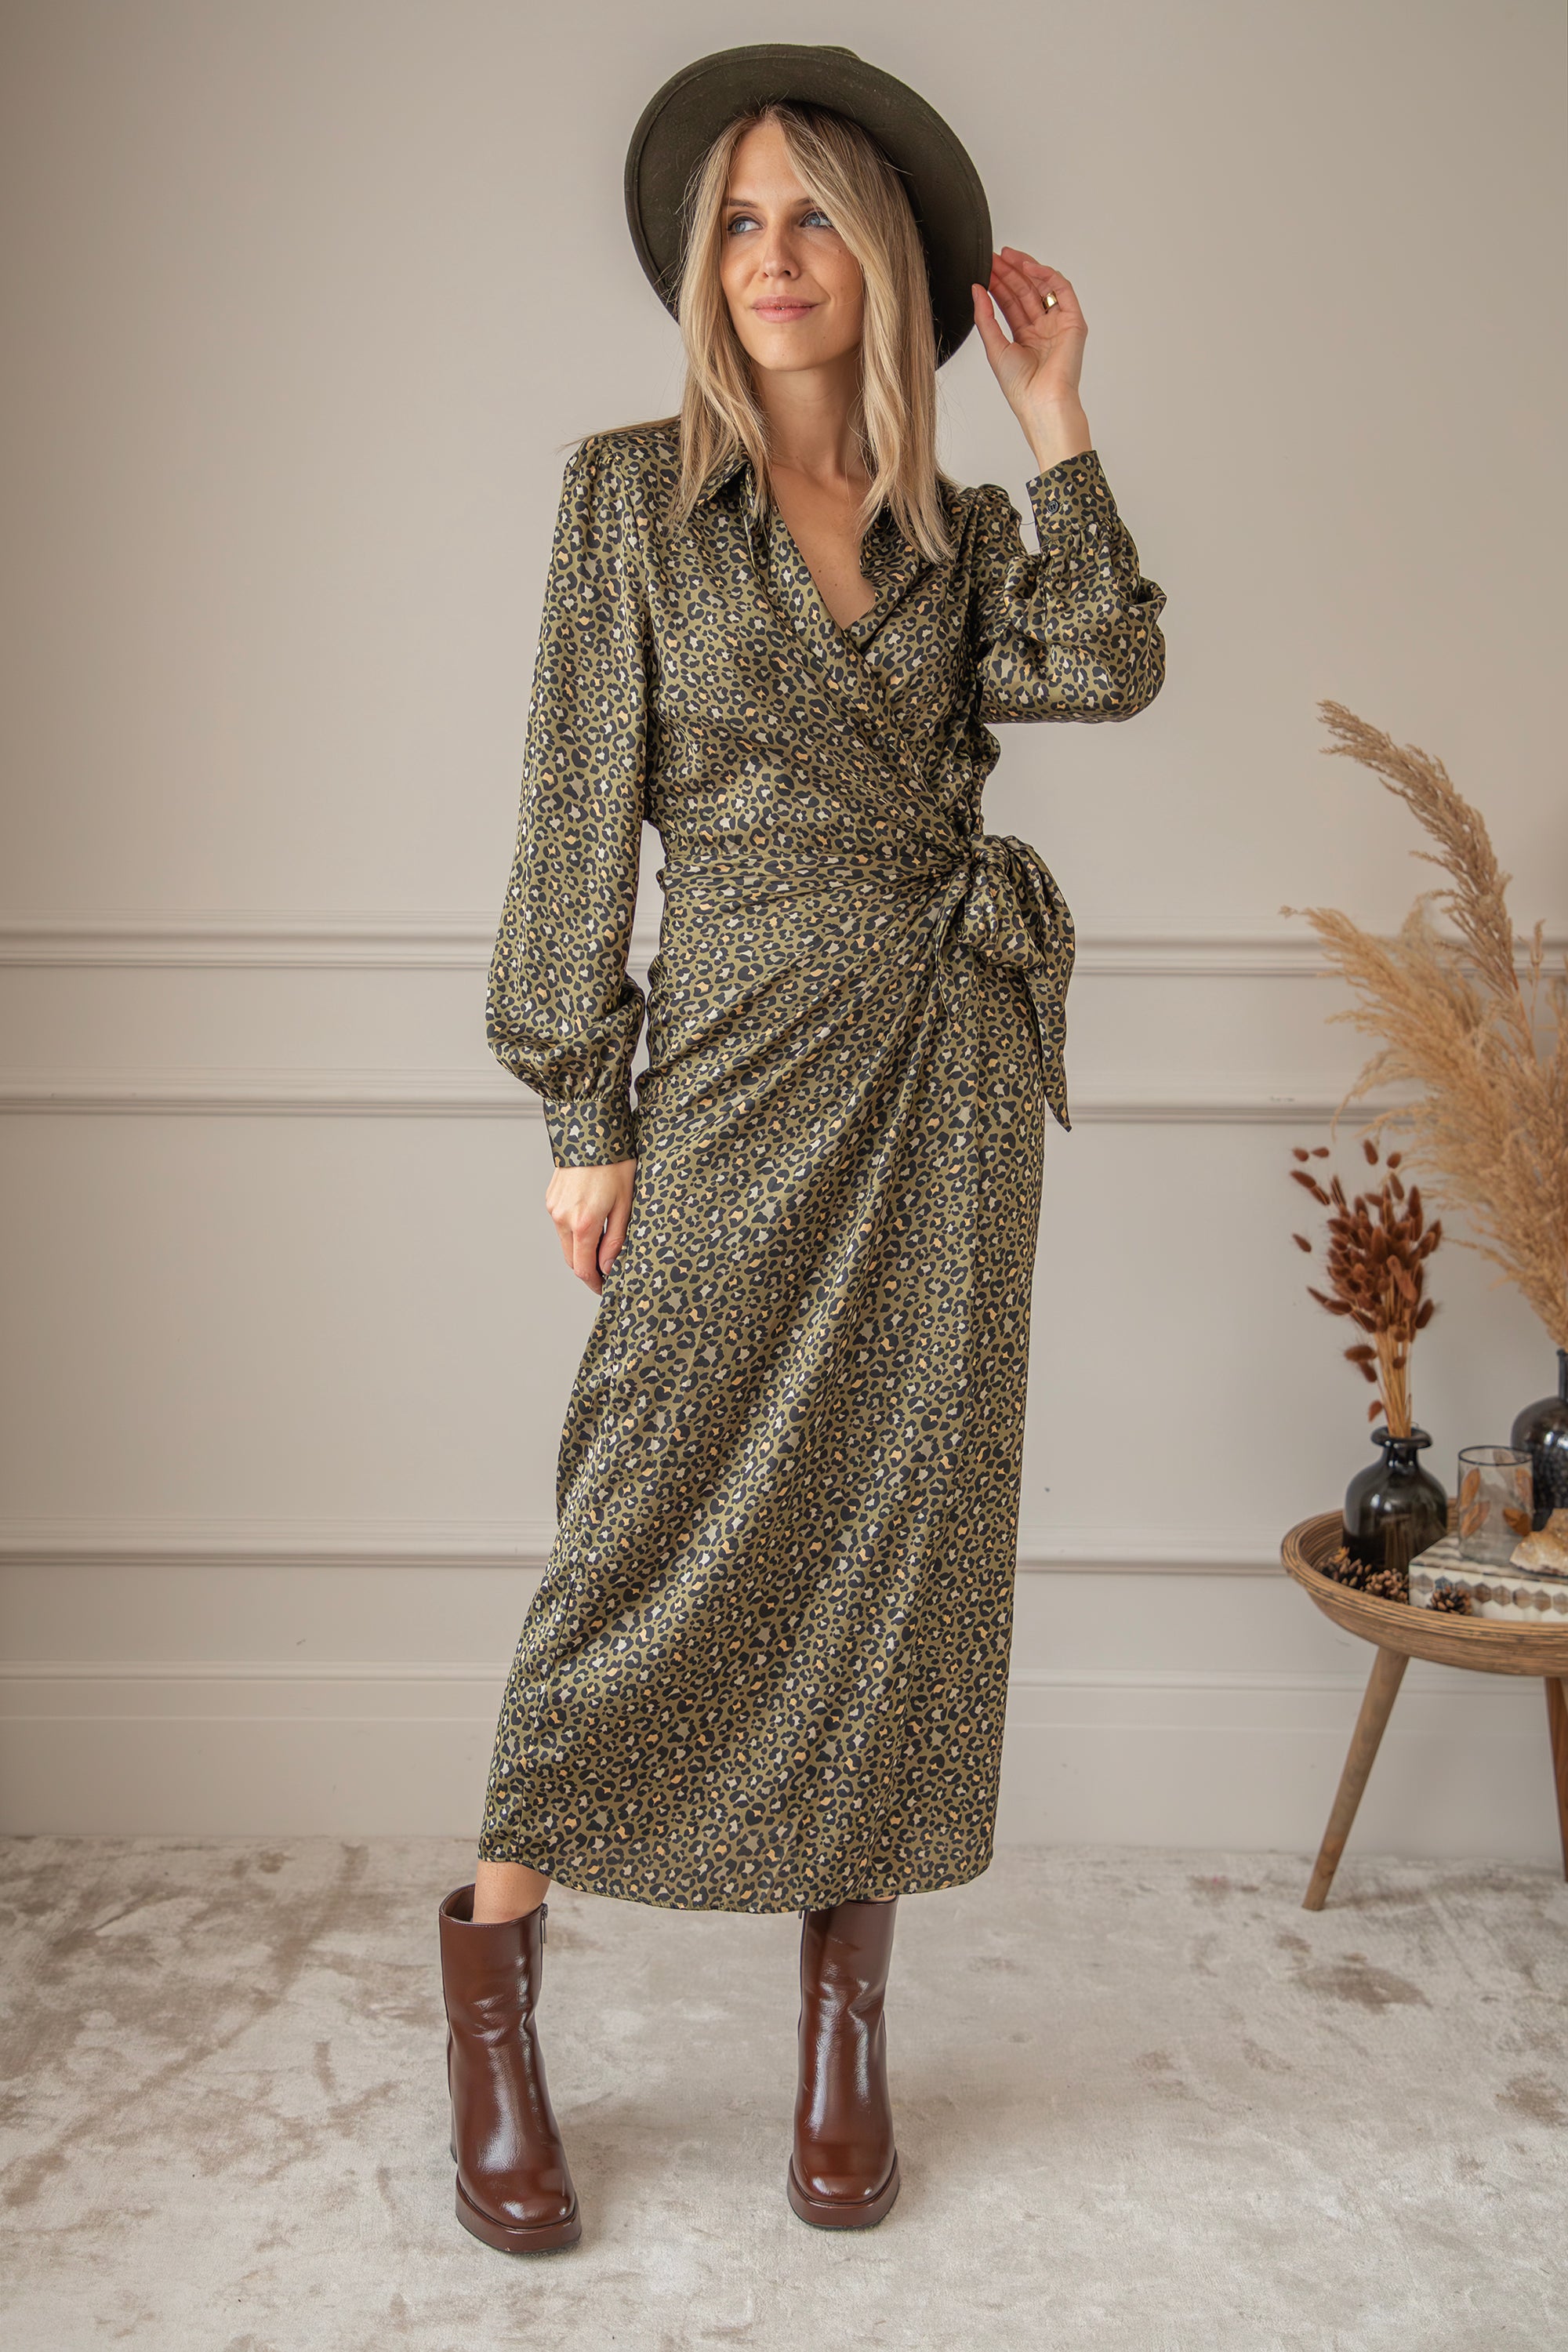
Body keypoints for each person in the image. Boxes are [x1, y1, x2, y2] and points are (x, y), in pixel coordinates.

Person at [437, 42, 1167, 2252]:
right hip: (738, 1075)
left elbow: (1108, 665)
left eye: (812, 218)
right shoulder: (631, 499)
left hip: (944, 1079)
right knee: (640, 1525)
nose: (771, 258)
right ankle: (493, 2003)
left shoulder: (960, 535)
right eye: (739, 223)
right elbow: (574, 813)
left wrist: (1057, 422)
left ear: (887, 261)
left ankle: (845, 2033)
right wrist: (586, 1113)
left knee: (900, 1543)